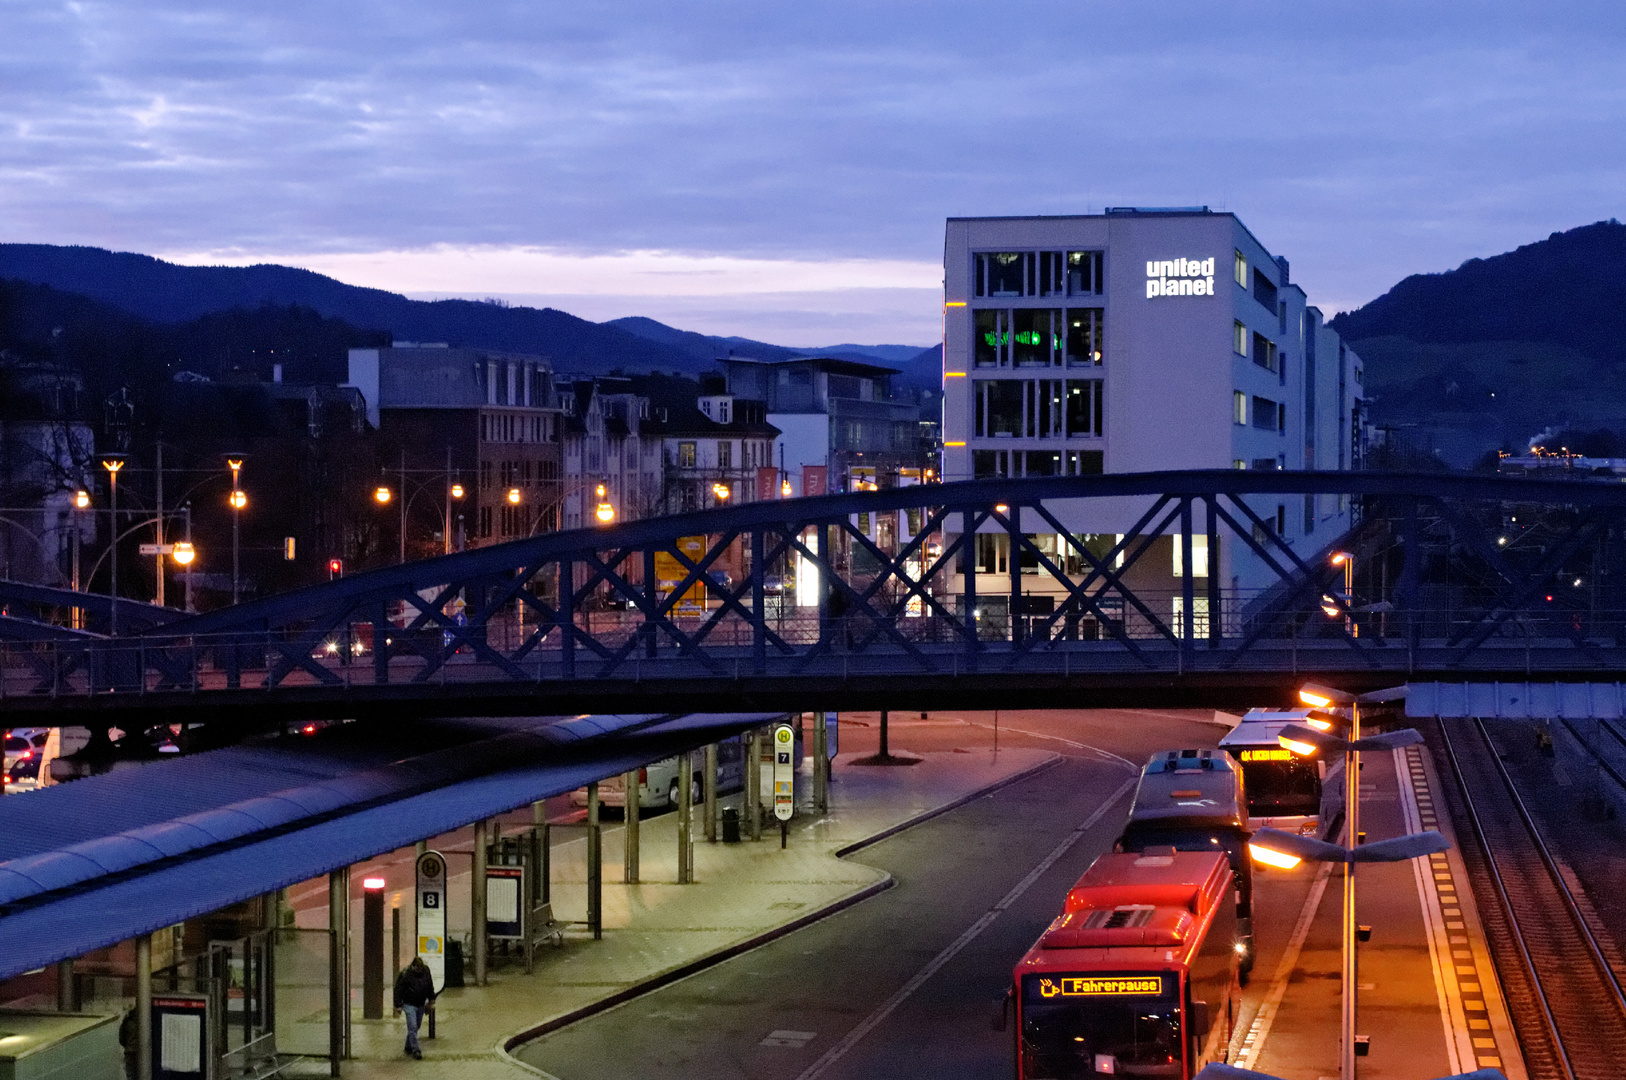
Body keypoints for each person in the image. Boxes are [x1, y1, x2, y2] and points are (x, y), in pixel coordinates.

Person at [393, 956, 435, 1059]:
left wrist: (431, 999)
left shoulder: (426, 971)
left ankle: (408, 1046)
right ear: (413, 966)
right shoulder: (406, 974)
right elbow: (399, 989)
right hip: (409, 1004)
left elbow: (429, 985)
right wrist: (398, 1005)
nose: (419, 970)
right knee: (412, 1026)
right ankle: (416, 1049)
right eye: (417, 968)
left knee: (417, 1026)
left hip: (420, 1003)